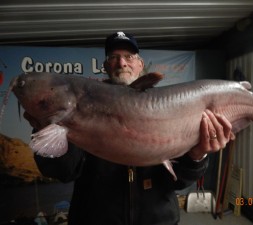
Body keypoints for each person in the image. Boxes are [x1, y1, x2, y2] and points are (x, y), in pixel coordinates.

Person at [28, 31, 233, 225]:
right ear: (106, 66)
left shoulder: (170, 108)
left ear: (140, 64)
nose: (122, 62)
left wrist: (197, 156)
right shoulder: (83, 105)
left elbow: (178, 181)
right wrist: (45, 127)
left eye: (129, 56)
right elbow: (63, 172)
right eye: (113, 57)